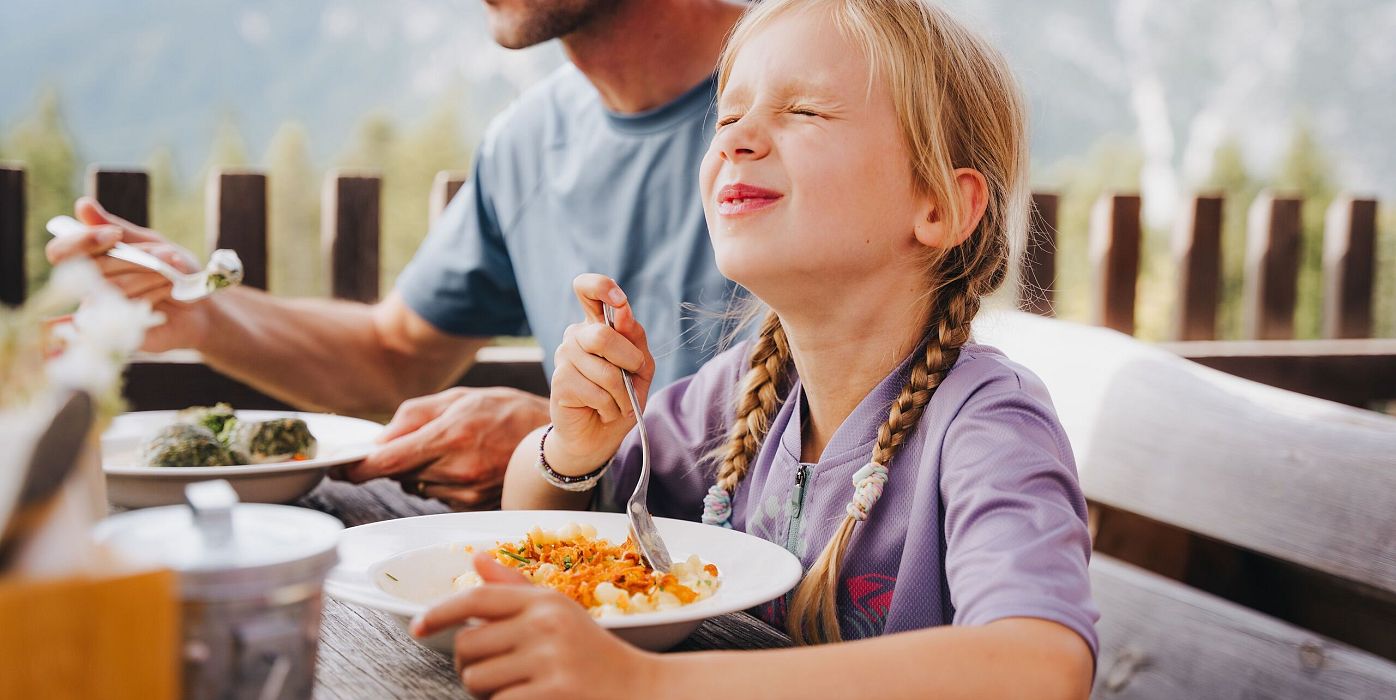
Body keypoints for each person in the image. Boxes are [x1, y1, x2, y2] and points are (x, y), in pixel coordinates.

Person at [411, 0, 1099, 696]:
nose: (737, 140)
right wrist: (570, 449)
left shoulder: (988, 425)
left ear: (939, 207)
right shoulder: (740, 394)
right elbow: (543, 520)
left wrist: (646, 685)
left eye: (805, 111)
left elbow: (1041, 667)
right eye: (728, 116)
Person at [44, 0, 749, 510]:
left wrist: (558, 442)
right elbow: (396, 353)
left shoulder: (810, 101)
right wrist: (198, 307)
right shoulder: (527, 140)